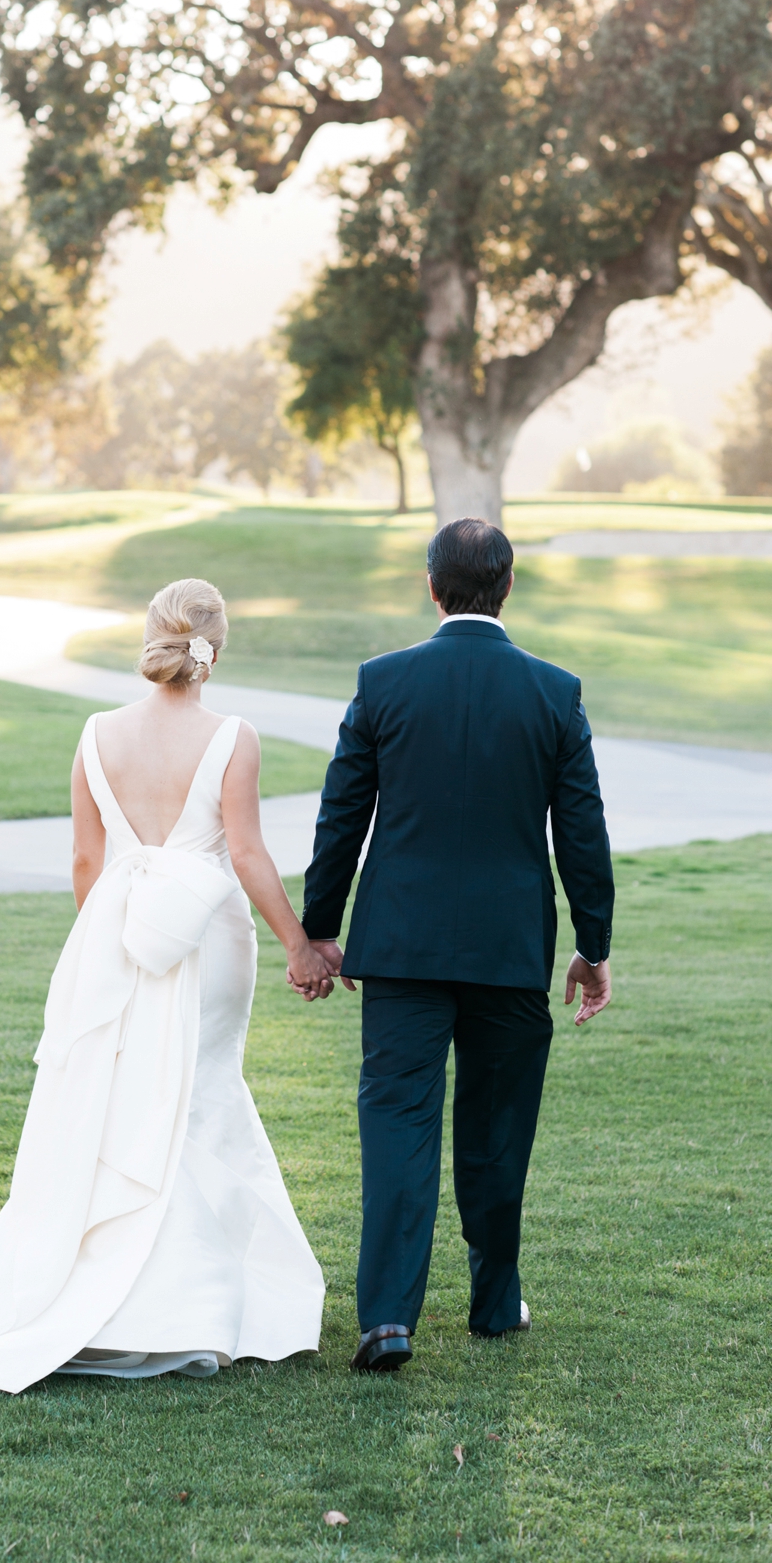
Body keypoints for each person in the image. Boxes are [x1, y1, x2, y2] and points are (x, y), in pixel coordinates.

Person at [0, 577, 324, 1393]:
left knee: (126, 1099)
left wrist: (120, 944)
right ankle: (190, 1303)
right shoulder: (233, 735)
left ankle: (117, 1290)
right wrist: (300, 945)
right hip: (210, 941)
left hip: (118, 936)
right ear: (215, 649)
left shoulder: (96, 734)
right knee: (199, 1095)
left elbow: (88, 863)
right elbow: (250, 854)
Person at [294, 518, 614, 1373]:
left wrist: (319, 927)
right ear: (507, 587)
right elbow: (582, 832)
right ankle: (495, 1302)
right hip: (510, 949)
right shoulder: (556, 693)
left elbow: (340, 818)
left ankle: (388, 1319)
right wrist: (593, 943)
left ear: (431, 586)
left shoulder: (383, 682)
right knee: (498, 1125)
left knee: (397, 1121)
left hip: (399, 947)